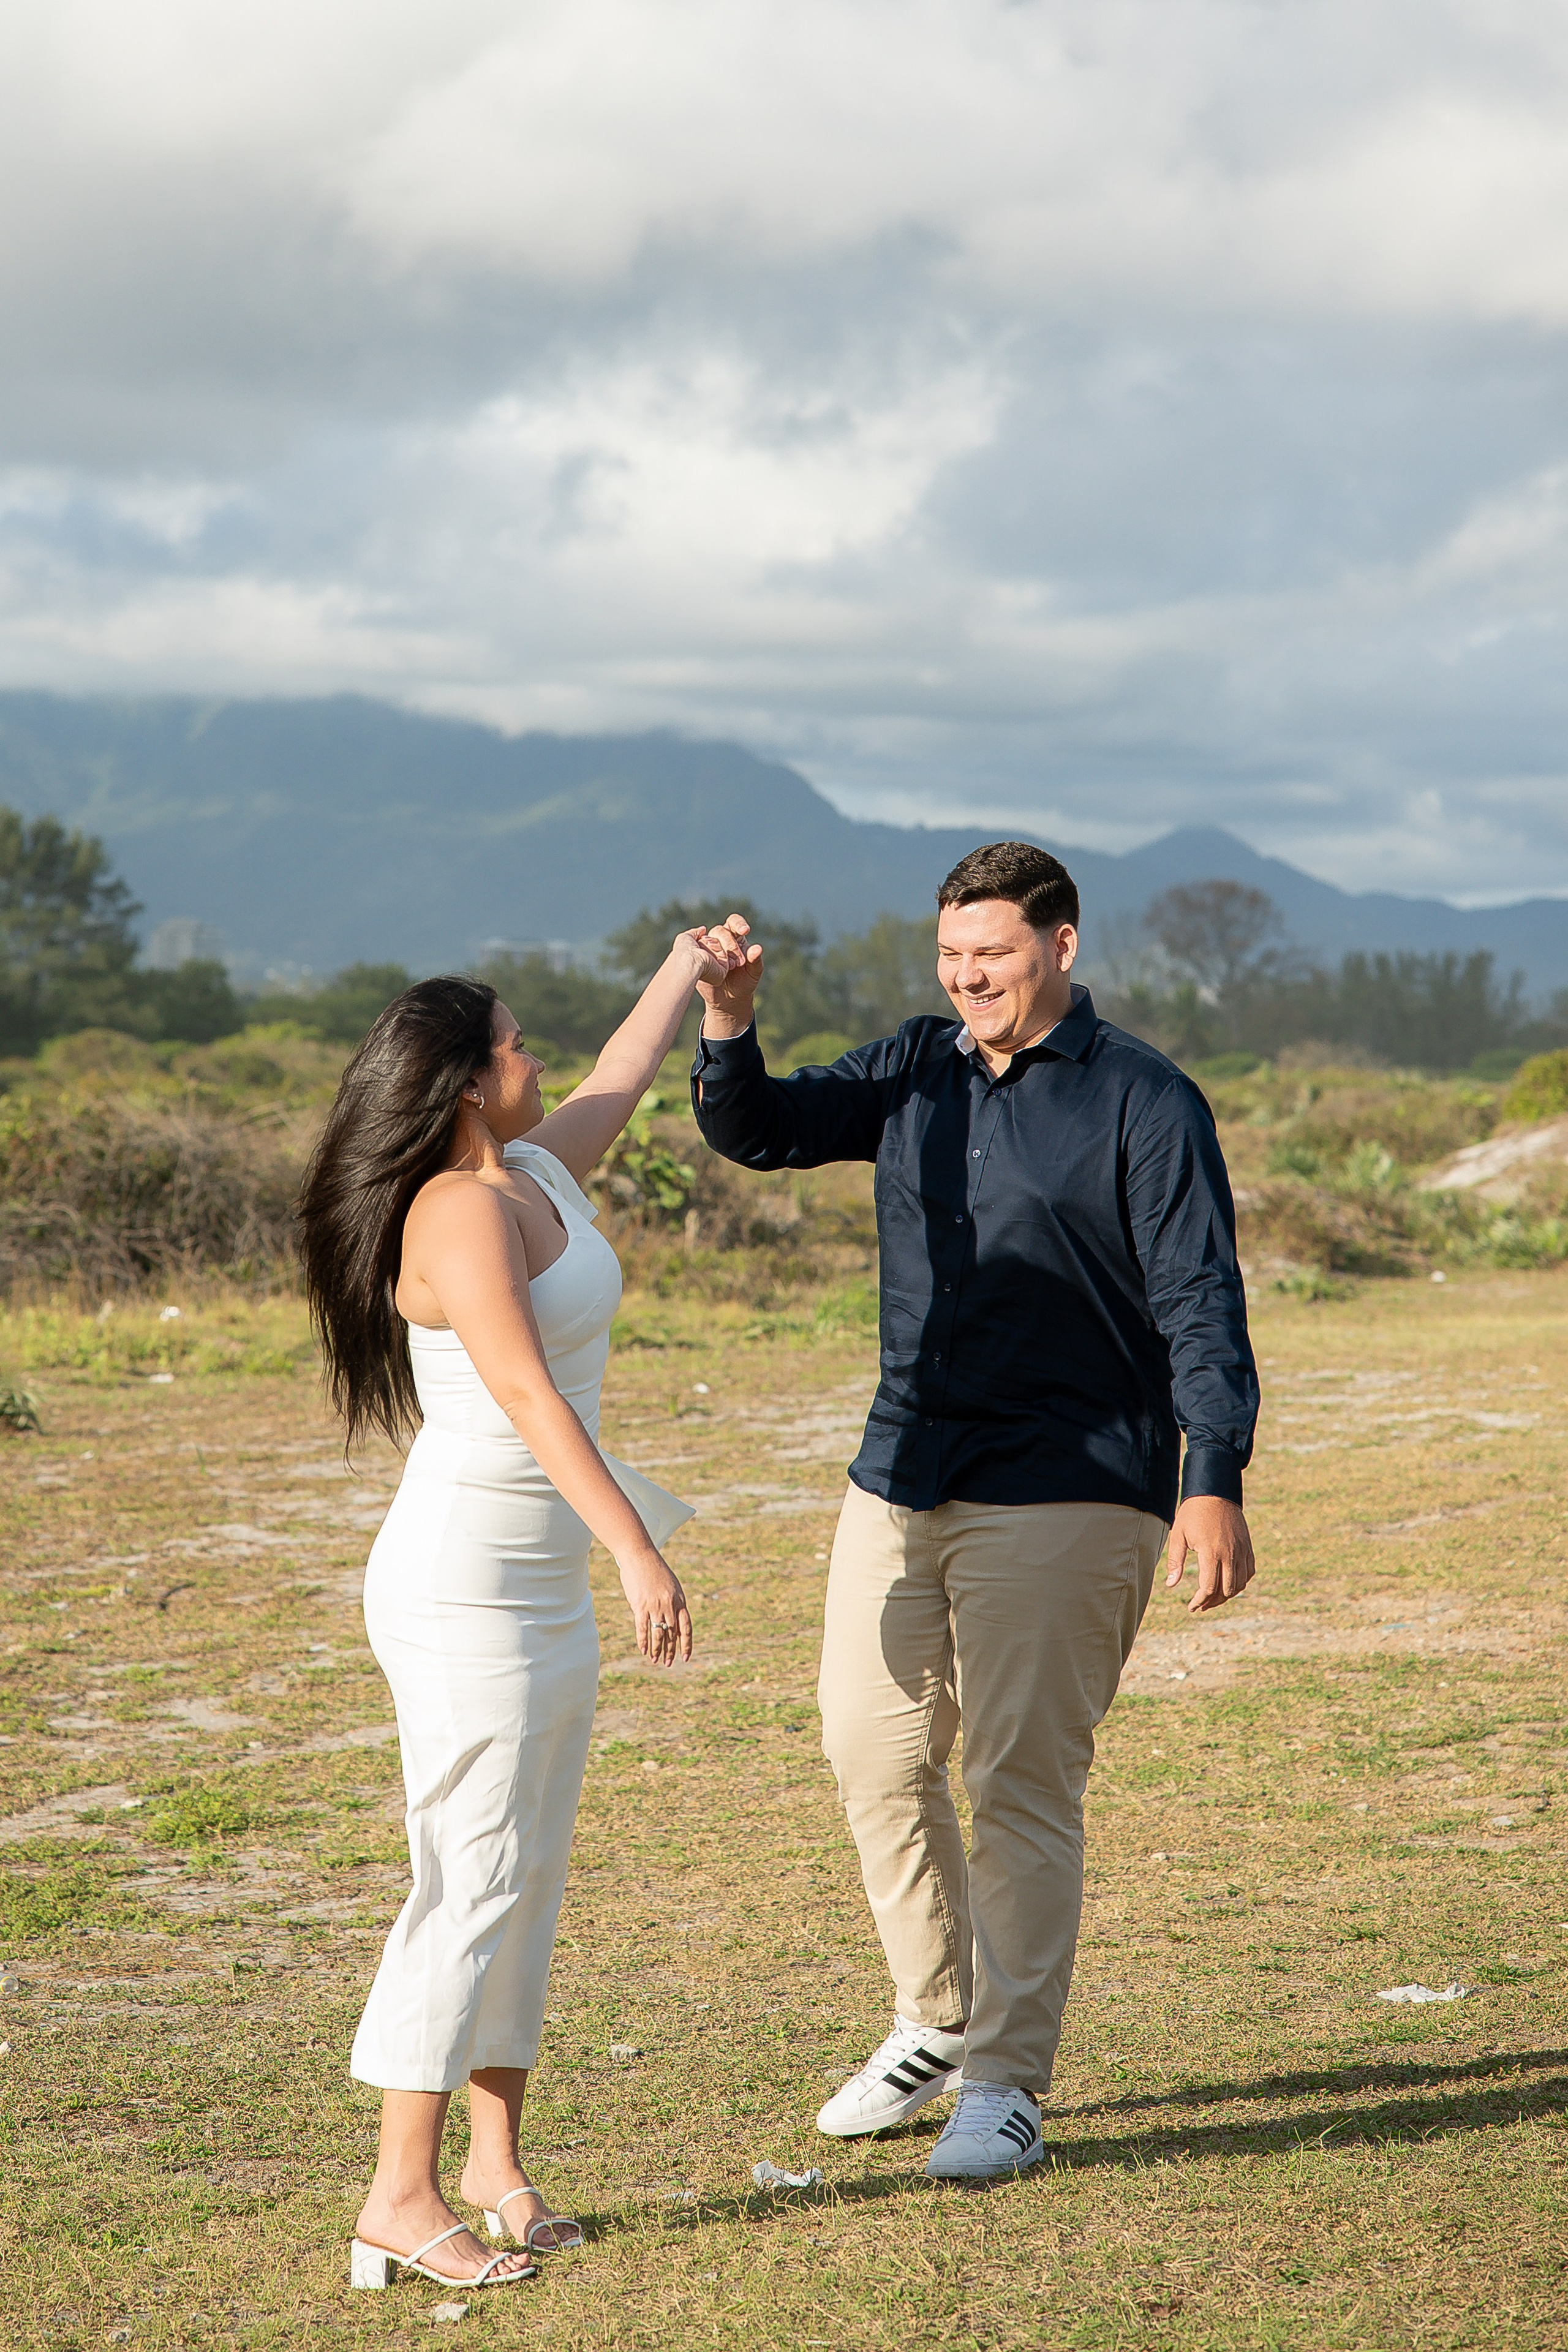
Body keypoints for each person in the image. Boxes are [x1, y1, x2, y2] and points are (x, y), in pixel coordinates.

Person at [690, 841, 1259, 2180]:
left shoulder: (1146, 1099)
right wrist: (728, 1021)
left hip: (1072, 1477)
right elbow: (762, 1130)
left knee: (1015, 1782)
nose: (967, 979)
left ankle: (1005, 2080)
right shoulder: (914, 1066)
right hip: (903, 1467)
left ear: (1061, 945)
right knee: (871, 1750)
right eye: (950, 957)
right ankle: (935, 2020)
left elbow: (1197, 1297)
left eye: (990, 954)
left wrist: (1212, 1473)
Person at [298, 928, 742, 2290]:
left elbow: (619, 1072)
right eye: (511, 1042)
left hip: (540, 1581)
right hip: (462, 1588)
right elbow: (524, 1392)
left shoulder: (533, 1173)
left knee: (526, 1875)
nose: (533, 1053)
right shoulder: (453, 1211)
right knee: (469, 1876)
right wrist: (637, 1551)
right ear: (464, 1083)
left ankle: (494, 2166)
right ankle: (397, 2194)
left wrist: (690, 968)